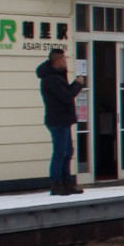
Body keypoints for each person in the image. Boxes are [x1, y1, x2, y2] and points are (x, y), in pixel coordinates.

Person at [36, 45, 84, 194]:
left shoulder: (57, 76)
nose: (66, 62)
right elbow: (65, 96)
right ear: (57, 61)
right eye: (64, 59)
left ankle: (66, 182)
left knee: (68, 151)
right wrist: (77, 84)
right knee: (60, 152)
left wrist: (73, 85)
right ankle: (57, 184)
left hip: (62, 119)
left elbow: (65, 93)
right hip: (58, 120)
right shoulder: (51, 79)